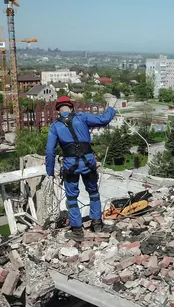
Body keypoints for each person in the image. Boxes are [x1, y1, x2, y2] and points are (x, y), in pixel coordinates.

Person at [45, 96, 116, 241]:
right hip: (88, 162)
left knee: (72, 197)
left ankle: (77, 231)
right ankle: (97, 224)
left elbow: (50, 151)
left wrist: (50, 172)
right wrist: (111, 108)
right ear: (71, 107)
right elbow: (103, 120)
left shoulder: (55, 126)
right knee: (93, 192)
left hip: (71, 165)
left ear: (58, 111)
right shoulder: (82, 117)